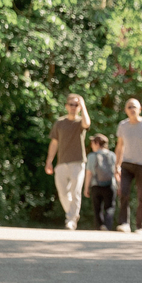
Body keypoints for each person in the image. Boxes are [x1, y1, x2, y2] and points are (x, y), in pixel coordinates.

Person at [45, 93, 91, 230]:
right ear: (66, 106)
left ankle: (71, 219)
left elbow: (87, 123)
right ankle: (71, 213)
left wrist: (83, 104)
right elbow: (54, 143)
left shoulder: (80, 123)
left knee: (75, 191)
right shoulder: (59, 123)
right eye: (71, 104)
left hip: (78, 162)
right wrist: (49, 161)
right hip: (61, 163)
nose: (73, 107)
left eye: (76, 105)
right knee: (63, 193)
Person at [114, 98, 142, 234]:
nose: (132, 109)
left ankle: (139, 227)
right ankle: (124, 223)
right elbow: (120, 146)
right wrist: (117, 165)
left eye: (134, 107)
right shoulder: (123, 125)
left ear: (140, 109)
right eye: (129, 107)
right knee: (124, 193)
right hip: (126, 164)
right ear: (125, 110)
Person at [84, 134, 118, 230]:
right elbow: (116, 172)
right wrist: (119, 186)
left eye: (92, 143)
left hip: (96, 185)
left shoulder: (91, 156)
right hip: (110, 185)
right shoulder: (112, 155)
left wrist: (86, 187)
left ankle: (99, 227)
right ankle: (107, 226)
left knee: (97, 208)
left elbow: (89, 173)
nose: (91, 145)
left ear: (97, 143)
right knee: (110, 207)